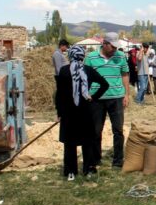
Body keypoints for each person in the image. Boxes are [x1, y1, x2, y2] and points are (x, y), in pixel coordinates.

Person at [55, 46, 109, 181]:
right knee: (87, 142)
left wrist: (59, 112)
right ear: (82, 56)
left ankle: (70, 171)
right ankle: (88, 169)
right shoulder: (88, 70)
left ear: (70, 56)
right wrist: (93, 97)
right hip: (86, 111)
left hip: (69, 113)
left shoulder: (64, 71)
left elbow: (59, 95)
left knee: (70, 143)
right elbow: (104, 84)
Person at [84, 32, 130, 168]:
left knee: (118, 130)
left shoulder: (121, 57)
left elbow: (125, 75)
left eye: (116, 46)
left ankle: (118, 161)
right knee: (96, 130)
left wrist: (126, 94)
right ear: (104, 44)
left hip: (116, 98)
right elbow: (85, 78)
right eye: (112, 46)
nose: (115, 49)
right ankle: (96, 159)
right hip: (97, 99)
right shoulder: (91, 58)